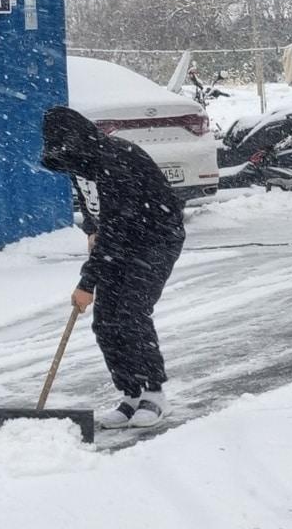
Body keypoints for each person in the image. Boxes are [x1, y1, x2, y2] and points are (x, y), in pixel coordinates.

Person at [39, 105, 185, 429]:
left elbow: (118, 228)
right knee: (106, 322)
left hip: (156, 238)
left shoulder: (116, 161)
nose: (68, 165)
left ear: (80, 142)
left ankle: (155, 394)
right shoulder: (80, 164)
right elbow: (96, 210)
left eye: (68, 155)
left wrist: (87, 283)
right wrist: (92, 228)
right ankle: (131, 394)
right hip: (121, 240)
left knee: (131, 313)